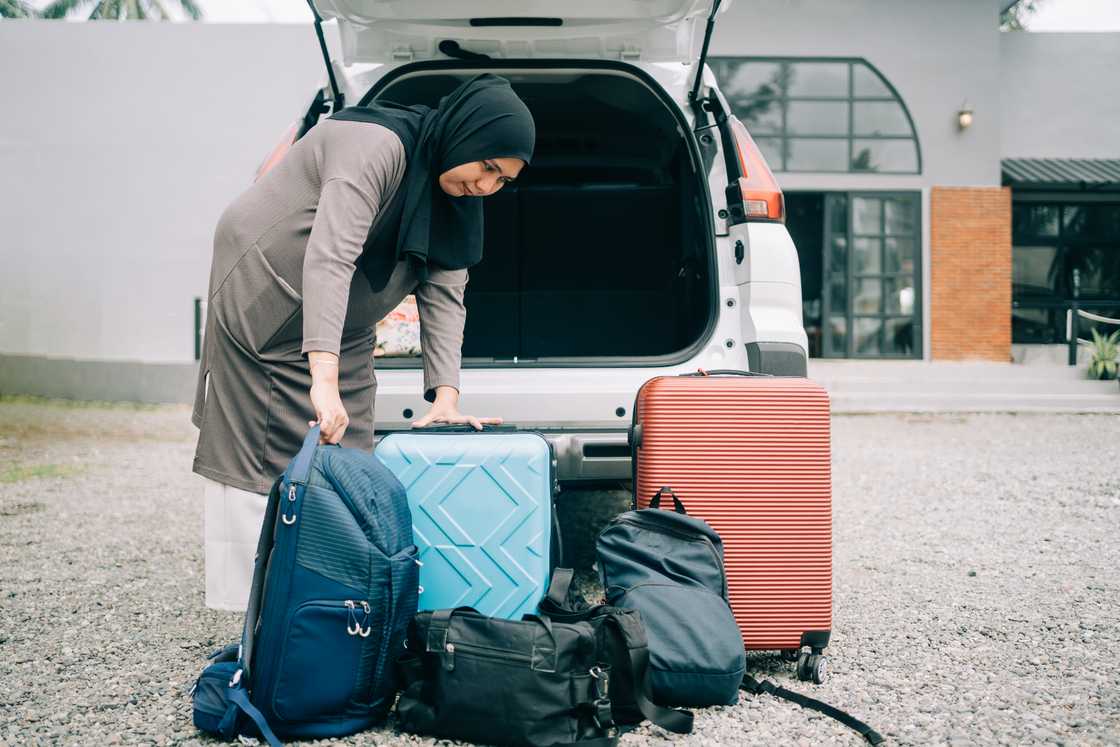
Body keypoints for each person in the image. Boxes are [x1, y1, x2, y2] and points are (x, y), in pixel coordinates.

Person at [190, 74, 535, 611]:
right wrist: (321, 378)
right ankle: (251, 617)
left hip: (343, 316)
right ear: (465, 136)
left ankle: (327, 599)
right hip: (265, 289)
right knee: (259, 450)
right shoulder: (375, 146)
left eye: (504, 181)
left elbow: (445, 299)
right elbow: (330, 256)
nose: (488, 186)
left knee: (350, 447)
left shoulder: (459, 198)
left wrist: (445, 400)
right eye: (487, 167)